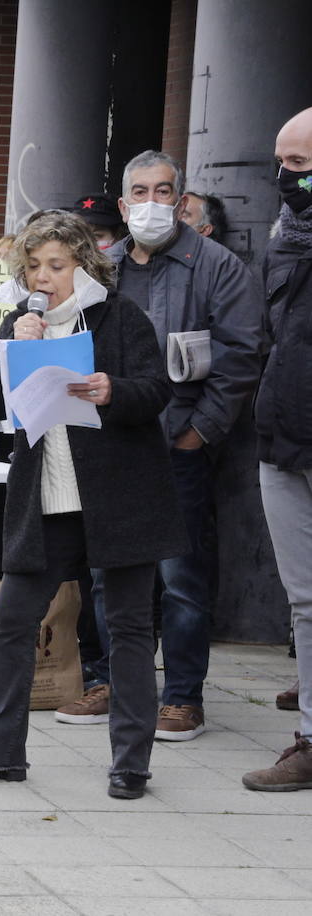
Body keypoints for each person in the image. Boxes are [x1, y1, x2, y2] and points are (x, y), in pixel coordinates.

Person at [0, 210, 185, 800]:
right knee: (13, 618)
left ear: (84, 263)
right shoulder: (18, 321)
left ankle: (131, 762)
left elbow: (156, 389)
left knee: (129, 626)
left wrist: (113, 390)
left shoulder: (119, 316)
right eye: (32, 267)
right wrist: (10, 347)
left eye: (56, 265)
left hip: (120, 498)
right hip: (46, 497)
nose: (43, 277)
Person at [57, 150, 265, 741]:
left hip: (178, 446)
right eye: (141, 192)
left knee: (181, 578)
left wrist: (200, 432)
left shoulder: (217, 266)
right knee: (108, 573)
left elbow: (241, 356)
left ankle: (181, 698)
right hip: (111, 444)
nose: (154, 202)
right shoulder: (100, 269)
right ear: (124, 205)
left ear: (180, 198)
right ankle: (110, 683)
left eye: (165, 190)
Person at [243, 106, 312, 791]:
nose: (284, 177)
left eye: (297, 165)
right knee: (305, 599)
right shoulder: (284, 234)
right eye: (283, 161)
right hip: (284, 435)